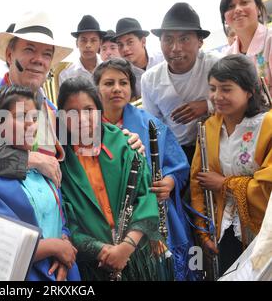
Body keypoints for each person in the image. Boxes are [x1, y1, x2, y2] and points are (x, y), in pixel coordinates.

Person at [0, 11, 144, 191]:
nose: (39, 59)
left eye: (46, 54)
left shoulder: (52, 111)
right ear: (9, 54)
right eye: (29, 50)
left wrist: (125, 141)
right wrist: (31, 159)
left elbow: (88, 143)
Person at [0, 85, 80, 281]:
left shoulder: (43, 167)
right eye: (20, 116)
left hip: (61, 272)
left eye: (34, 118)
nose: (30, 125)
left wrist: (64, 241)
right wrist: (54, 247)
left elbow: (60, 219)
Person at [93, 58, 197, 280]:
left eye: (123, 83)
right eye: (108, 83)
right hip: (107, 220)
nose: (117, 89)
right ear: (96, 89)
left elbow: (178, 166)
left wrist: (169, 182)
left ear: (132, 89)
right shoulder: (87, 128)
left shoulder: (151, 124)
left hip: (152, 217)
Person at [57, 77, 162, 281]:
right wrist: (102, 250)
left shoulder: (125, 143)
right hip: (94, 265)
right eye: (72, 113)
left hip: (136, 255)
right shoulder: (59, 160)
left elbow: (146, 197)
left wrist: (125, 247)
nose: (83, 119)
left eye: (88, 110)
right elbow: (66, 220)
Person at [190, 54, 271, 277]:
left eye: (226, 89)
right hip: (222, 231)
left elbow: (268, 187)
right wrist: (204, 234)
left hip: (264, 233)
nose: (217, 96)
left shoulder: (268, 125)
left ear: (249, 91)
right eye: (213, 88)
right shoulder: (209, 127)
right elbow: (198, 184)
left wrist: (224, 184)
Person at [141, 2, 221, 165]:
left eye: (184, 39)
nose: (175, 48)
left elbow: (241, 100)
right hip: (177, 153)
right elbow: (154, 129)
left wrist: (207, 105)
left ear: (200, 41)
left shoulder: (216, 66)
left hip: (219, 146)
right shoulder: (150, 80)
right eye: (168, 39)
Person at [220, 0, 272, 98]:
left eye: (244, 2)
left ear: (258, 8)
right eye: (230, 6)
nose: (237, 9)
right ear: (225, 18)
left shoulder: (270, 40)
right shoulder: (227, 56)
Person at [111, 18, 164, 99]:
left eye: (130, 42)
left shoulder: (162, 59)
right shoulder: (123, 74)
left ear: (143, 41)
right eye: (120, 45)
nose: (125, 49)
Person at [58, 15, 106, 87]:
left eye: (93, 40)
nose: (88, 45)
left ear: (100, 43)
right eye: (83, 40)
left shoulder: (107, 69)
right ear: (76, 43)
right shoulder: (66, 75)